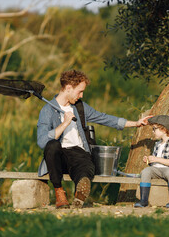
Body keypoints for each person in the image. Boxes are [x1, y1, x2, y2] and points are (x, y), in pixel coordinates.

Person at [37, 70, 151, 209]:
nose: (82, 95)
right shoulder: (47, 110)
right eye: (80, 91)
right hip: (58, 156)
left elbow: (104, 118)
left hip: (78, 152)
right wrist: (64, 124)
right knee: (52, 145)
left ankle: (80, 193)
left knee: (86, 168)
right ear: (68, 88)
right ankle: (59, 192)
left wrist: (135, 123)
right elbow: (42, 141)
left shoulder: (80, 107)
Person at [134, 115, 169, 208]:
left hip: (168, 169)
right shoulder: (157, 144)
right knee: (146, 171)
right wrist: (149, 160)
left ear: (163, 130)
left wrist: (156, 159)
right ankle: (144, 200)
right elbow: (155, 162)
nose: (153, 132)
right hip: (157, 169)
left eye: (154, 129)